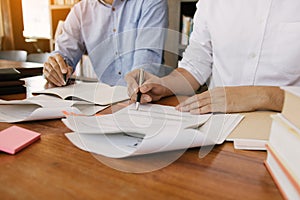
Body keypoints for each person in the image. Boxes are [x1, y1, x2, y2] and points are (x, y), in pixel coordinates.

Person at [126, 0, 300, 114]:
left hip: (286, 131)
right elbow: (195, 67)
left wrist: (262, 96)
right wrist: (163, 85)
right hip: (217, 130)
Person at [43, 0, 168, 87]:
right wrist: (56, 67)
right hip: (105, 101)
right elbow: (63, 54)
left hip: (146, 99)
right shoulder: (80, 11)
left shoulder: (151, 2)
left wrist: (135, 89)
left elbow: (145, 64)